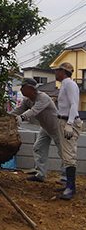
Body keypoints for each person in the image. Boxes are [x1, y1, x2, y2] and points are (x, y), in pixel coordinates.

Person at [9, 78, 64, 183]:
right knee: (38, 148)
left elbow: (34, 111)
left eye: (23, 87)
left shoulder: (43, 98)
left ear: (30, 88)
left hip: (57, 128)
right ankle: (41, 175)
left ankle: (65, 178)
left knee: (63, 153)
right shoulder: (27, 100)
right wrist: (6, 117)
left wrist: (22, 118)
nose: (20, 89)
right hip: (45, 128)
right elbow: (18, 110)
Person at [51, 62, 82, 200]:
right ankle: (70, 185)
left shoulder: (69, 84)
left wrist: (69, 123)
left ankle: (70, 186)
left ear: (63, 71)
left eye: (57, 71)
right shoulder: (64, 84)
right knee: (65, 153)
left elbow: (74, 104)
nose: (55, 73)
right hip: (63, 120)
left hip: (68, 121)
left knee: (69, 154)